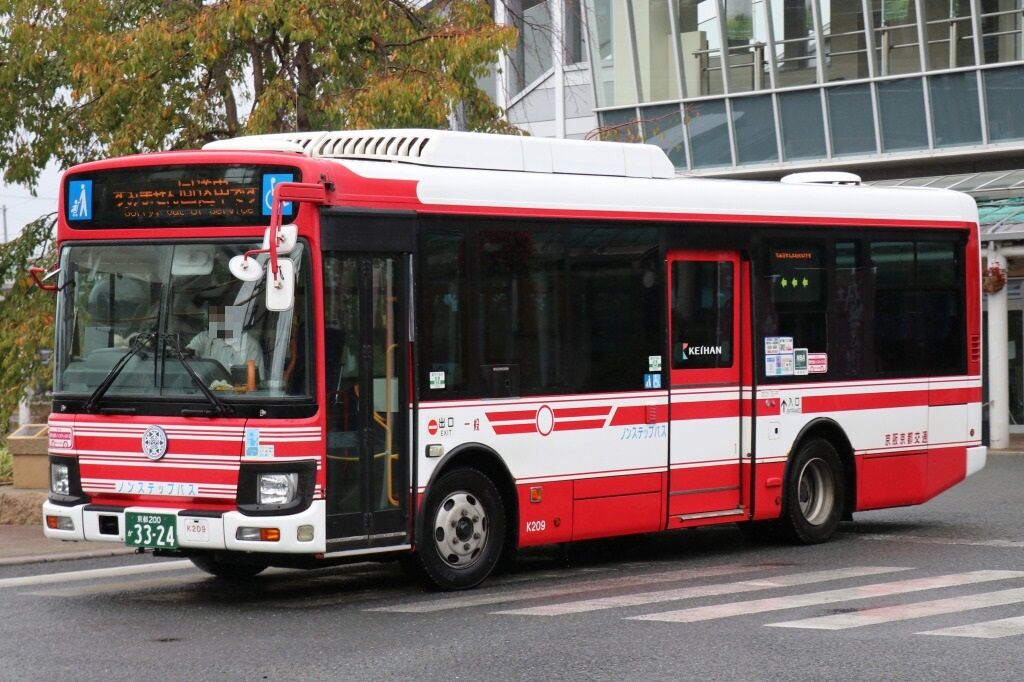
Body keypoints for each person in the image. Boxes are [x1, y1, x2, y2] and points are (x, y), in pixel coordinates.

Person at [186, 305, 265, 381]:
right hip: (205, 390)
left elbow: (256, 381)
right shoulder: (205, 337)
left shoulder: (251, 346)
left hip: (236, 392)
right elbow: (188, 352)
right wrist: (186, 352)